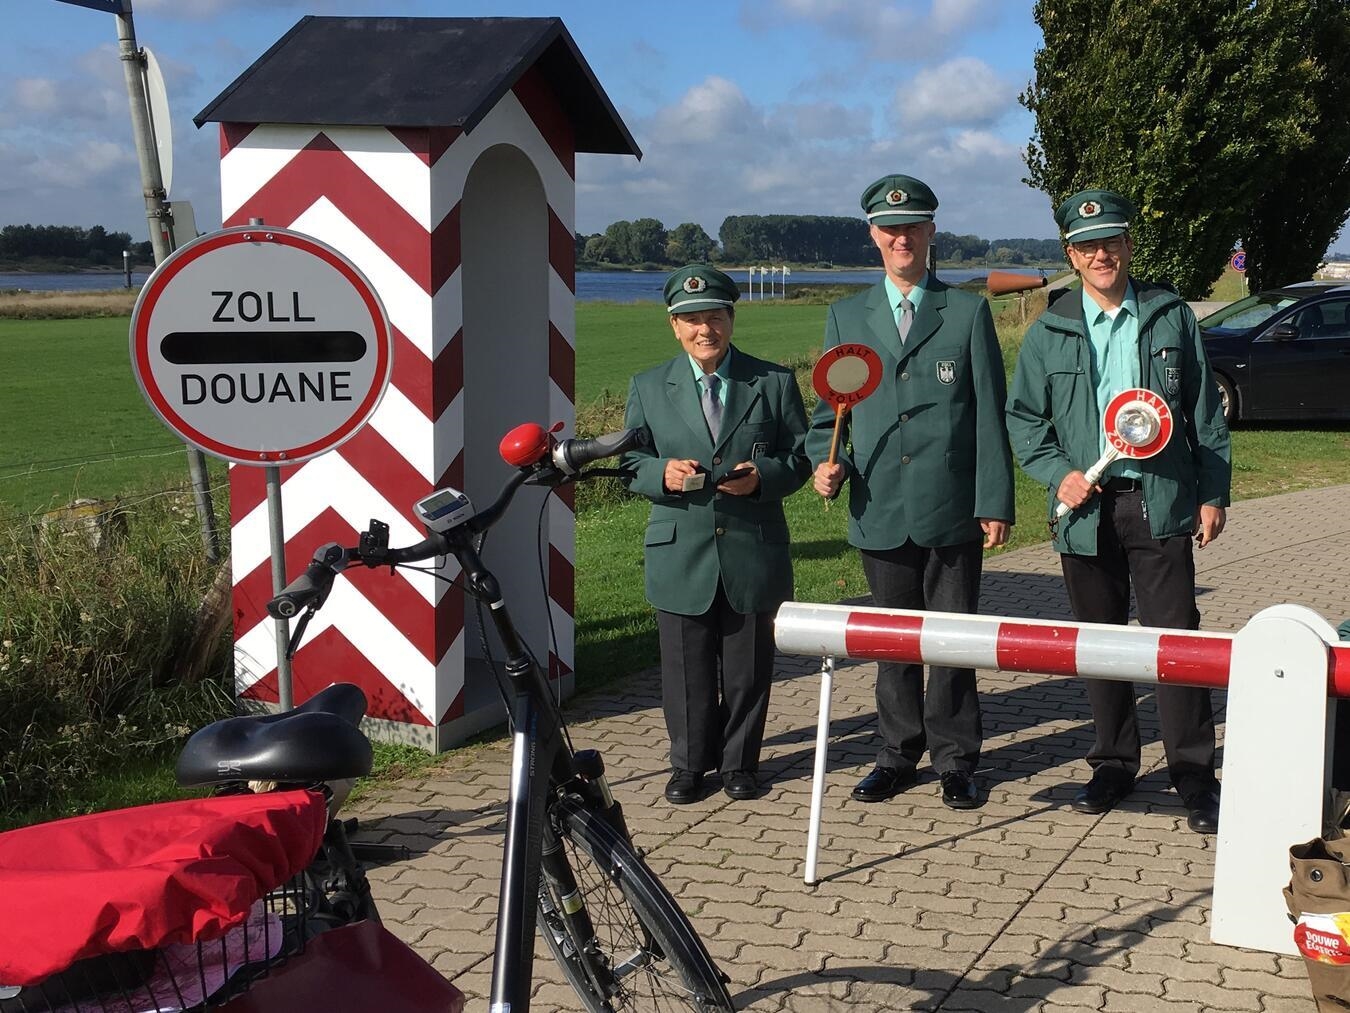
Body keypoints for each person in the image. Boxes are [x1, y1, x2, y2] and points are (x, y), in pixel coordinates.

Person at [1005, 188, 1231, 834]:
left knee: (1176, 639)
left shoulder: (1168, 316)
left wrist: (1212, 492)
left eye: (1112, 241)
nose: (1102, 254)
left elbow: (1204, 415)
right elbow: (1025, 420)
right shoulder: (1049, 332)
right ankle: (1112, 761)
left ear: (1129, 246)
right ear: (1071, 257)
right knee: (1098, 641)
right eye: (1088, 246)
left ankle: (1193, 770)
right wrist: (1058, 475)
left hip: (1159, 500)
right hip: (1086, 510)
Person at [806, 174, 1015, 810]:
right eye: (889, 228)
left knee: (952, 639)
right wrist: (826, 461)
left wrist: (994, 499)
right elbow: (829, 415)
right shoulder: (846, 315)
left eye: (913, 226)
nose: (901, 237)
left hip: (950, 503)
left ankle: (957, 759)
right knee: (892, 642)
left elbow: (987, 413)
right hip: (880, 505)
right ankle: (896, 754)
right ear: (873, 235)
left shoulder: (968, 311)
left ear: (930, 234)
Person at [621, 265, 810, 804]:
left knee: (748, 668)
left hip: (752, 546)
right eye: (692, 320)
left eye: (715, 317)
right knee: (685, 670)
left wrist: (763, 478)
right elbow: (629, 462)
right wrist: (662, 474)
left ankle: (739, 764)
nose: (705, 330)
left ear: (731, 319)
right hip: (681, 551)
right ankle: (688, 765)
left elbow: (799, 457)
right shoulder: (649, 386)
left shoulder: (772, 382)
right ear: (673, 326)